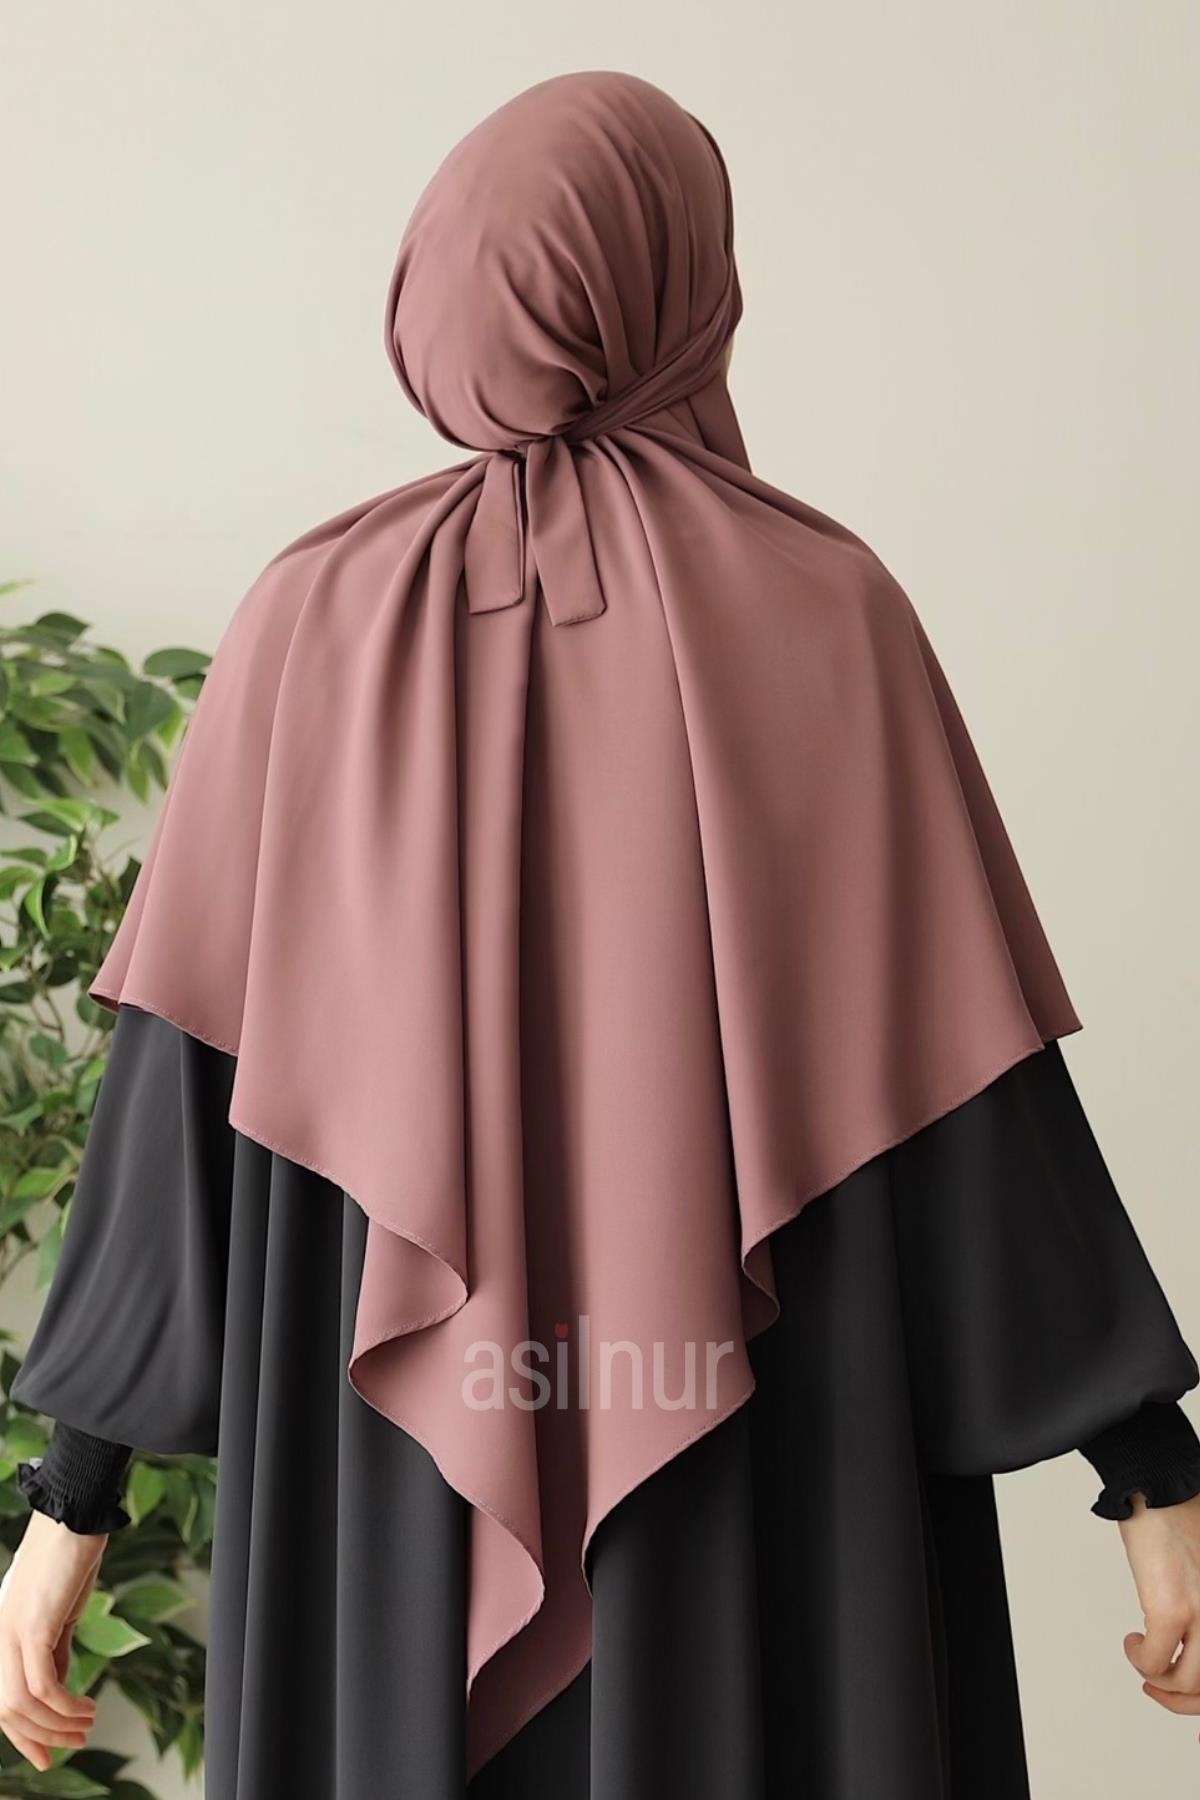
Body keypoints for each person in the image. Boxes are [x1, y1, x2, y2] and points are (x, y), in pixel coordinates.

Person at [2, 69, 1199, 1800]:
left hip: (387, 1501)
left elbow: (176, 1092)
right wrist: (1154, 1481)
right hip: (774, 1475)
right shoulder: (825, 609)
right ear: (686, 287)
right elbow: (960, 1087)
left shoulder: (301, 623)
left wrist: (68, 1508)